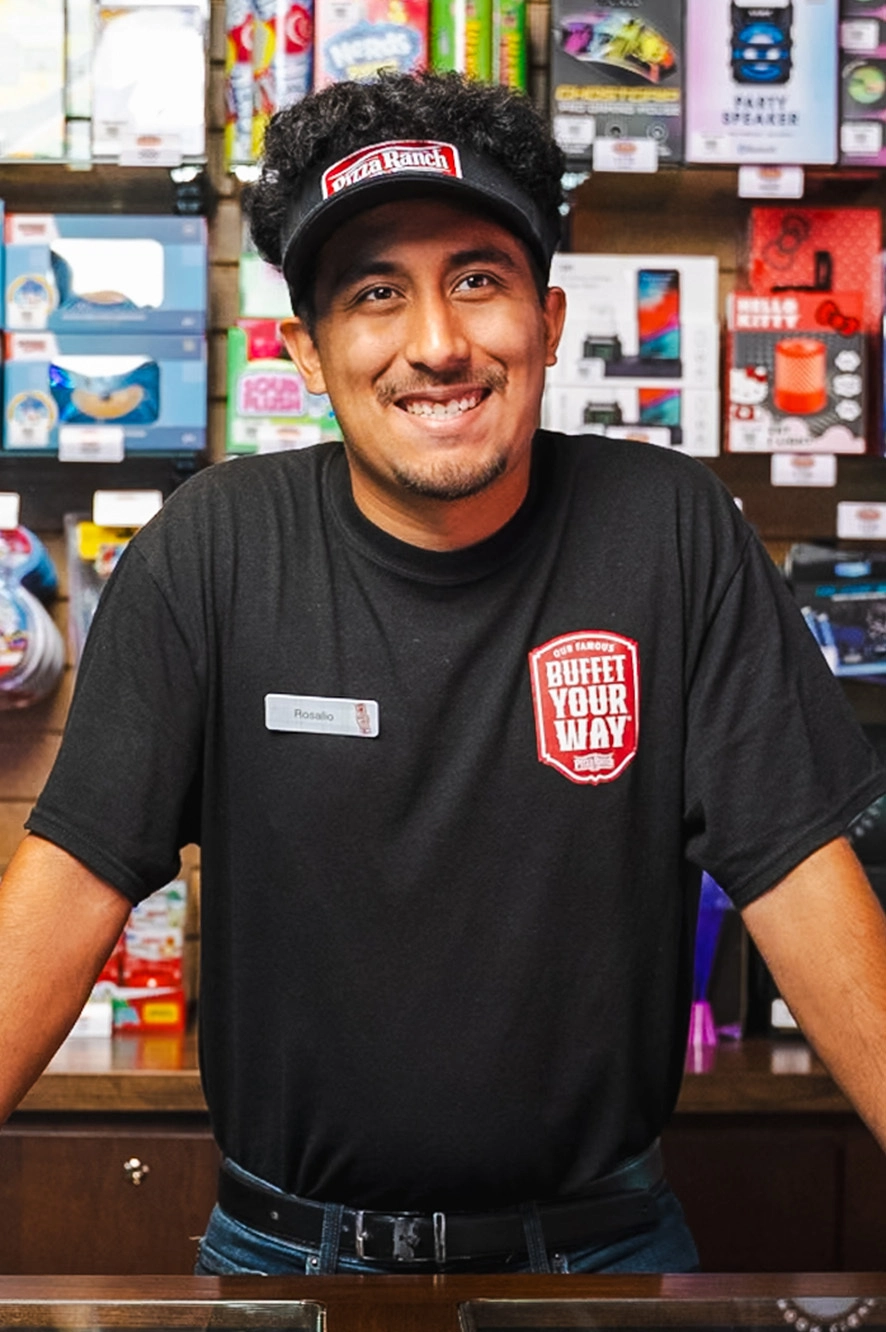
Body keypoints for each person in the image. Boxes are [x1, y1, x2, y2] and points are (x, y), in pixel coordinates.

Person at [3, 70, 886, 1278]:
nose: (436, 344)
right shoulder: (211, 550)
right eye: (376, 294)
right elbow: (62, 901)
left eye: (478, 278)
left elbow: (807, 894)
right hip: (283, 1257)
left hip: (601, 1257)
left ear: (550, 319)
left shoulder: (668, 532)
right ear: (308, 352)